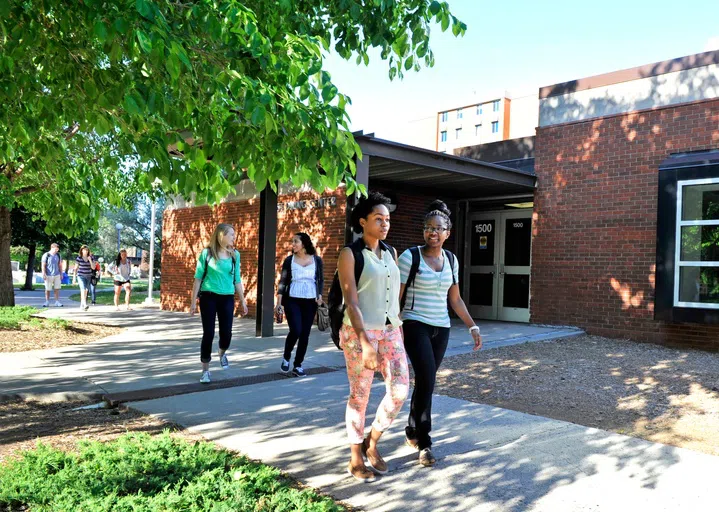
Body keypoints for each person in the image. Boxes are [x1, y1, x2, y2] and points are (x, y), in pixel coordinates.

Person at [398, 200, 483, 467]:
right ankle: (425, 443)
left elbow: (455, 299)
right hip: (414, 323)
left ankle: (412, 429)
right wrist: (393, 328)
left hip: (441, 328)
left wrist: (472, 325)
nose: (432, 233)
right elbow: (396, 298)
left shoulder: (452, 260)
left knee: (426, 381)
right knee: (426, 378)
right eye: (428, 228)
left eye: (438, 229)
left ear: (448, 233)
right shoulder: (409, 257)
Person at [337, 191, 409, 482]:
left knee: (400, 389)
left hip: (391, 330)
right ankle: (355, 456)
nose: (385, 224)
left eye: (387, 219)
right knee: (360, 395)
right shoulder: (349, 254)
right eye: (378, 219)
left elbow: (394, 296)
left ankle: (372, 441)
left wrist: (398, 329)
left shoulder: (390, 253)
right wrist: (366, 342)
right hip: (359, 333)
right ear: (362, 221)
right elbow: (351, 301)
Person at [190, 223, 248, 384]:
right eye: (231, 235)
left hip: (227, 297)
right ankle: (205, 371)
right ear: (221, 235)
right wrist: (193, 301)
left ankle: (221, 352)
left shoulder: (235, 255)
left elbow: (237, 279)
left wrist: (243, 301)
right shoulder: (207, 253)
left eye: (234, 235)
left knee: (226, 334)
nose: (233, 238)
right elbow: (198, 278)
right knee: (208, 333)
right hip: (208, 296)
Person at [275, 233, 324, 377]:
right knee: (296, 330)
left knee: (305, 334)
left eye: (296, 241)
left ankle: (298, 365)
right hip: (292, 300)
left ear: (304, 243)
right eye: (292, 242)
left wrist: (319, 295)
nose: (293, 244)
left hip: (310, 301)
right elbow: (283, 282)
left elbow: (320, 280)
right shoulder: (289, 260)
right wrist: (279, 303)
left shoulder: (317, 260)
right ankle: (286, 357)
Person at [72, 245, 95, 311]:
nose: (86, 251)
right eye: (84, 250)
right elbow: (75, 268)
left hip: (88, 275)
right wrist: (74, 278)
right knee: (83, 289)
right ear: (82, 250)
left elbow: (93, 267)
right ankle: (84, 304)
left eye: (87, 250)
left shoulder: (91, 257)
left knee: (86, 290)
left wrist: (90, 260)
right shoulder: (79, 258)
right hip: (81, 276)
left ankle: (82, 304)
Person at [41, 243, 63, 307]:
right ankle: (47, 301)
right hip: (48, 274)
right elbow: (43, 265)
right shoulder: (46, 255)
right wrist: (44, 274)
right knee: (47, 289)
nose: (57, 250)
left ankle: (57, 301)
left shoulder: (58, 255)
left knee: (57, 288)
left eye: (57, 249)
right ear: (52, 248)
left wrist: (61, 273)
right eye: (56, 249)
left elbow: (60, 265)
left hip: (57, 274)